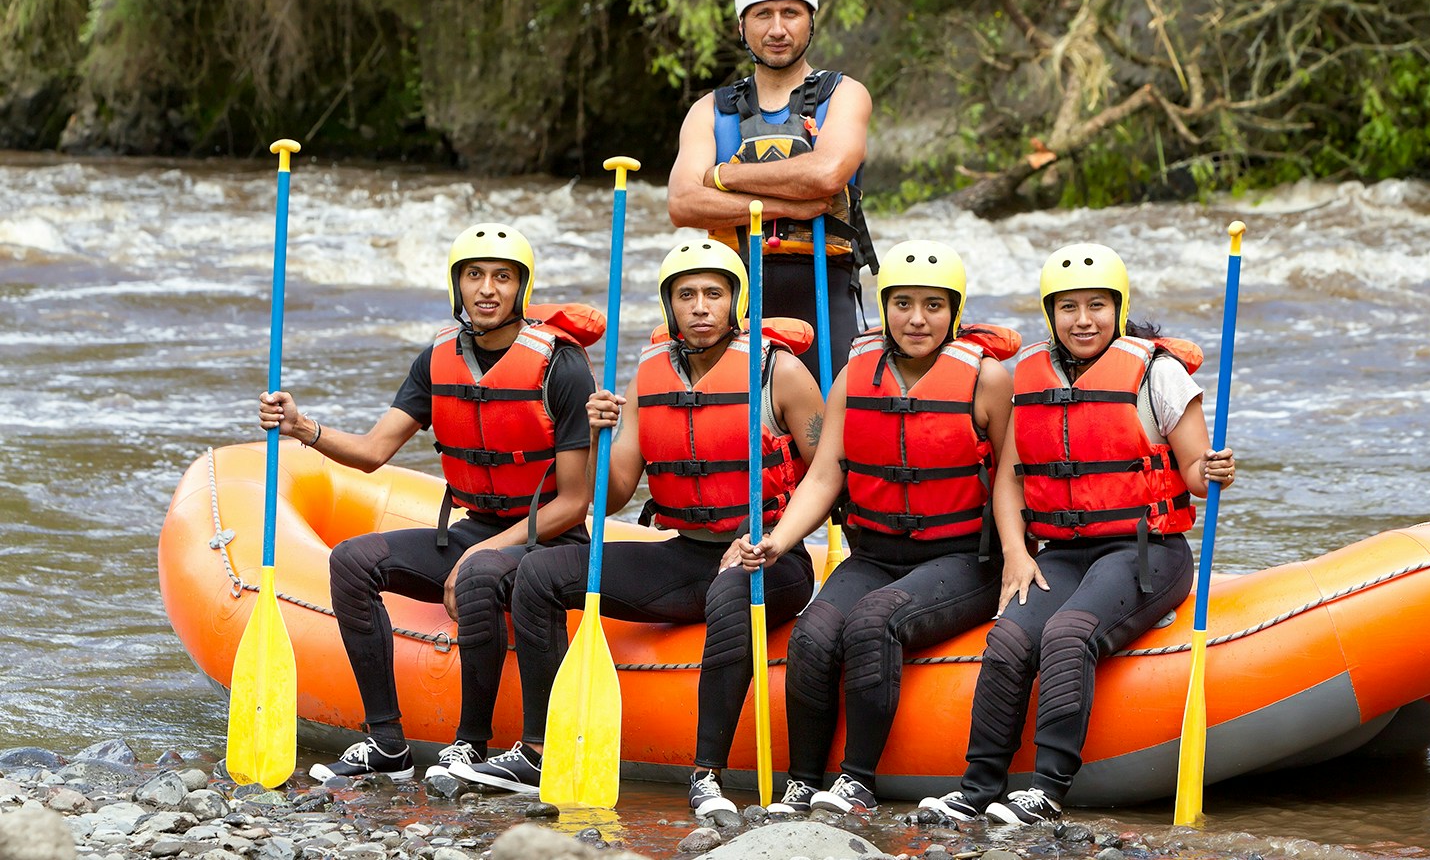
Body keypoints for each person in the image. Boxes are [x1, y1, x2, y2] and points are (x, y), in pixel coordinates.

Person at [450, 238, 826, 818]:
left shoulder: (782, 373)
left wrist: (772, 540)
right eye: (686, 295)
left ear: (737, 301)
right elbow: (614, 495)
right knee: (541, 571)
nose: (700, 307)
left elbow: (826, 474)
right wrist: (599, 434)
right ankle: (537, 750)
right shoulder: (649, 375)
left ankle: (707, 775)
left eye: (714, 294)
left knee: (732, 590)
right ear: (669, 306)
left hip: (772, 560)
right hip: (686, 555)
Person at [258, 223, 600, 783]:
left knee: (479, 572)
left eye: (502, 277)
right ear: (457, 285)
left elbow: (573, 504)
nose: (487, 289)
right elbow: (372, 452)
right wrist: (301, 427)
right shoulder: (438, 358)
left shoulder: (561, 366)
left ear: (522, 288)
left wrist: (475, 556)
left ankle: (471, 745)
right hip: (478, 527)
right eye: (474, 275)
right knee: (351, 561)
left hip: (547, 541)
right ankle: (387, 744)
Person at [917, 243, 1237, 825]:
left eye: (1096, 306)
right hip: (1062, 551)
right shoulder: (1029, 378)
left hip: (1146, 550)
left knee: (1068, 632)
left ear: (1118, 308)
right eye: (1068, 308)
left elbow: (1193, 472)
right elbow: (1011, 481)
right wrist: (1015, 554)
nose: (1082, 320)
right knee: (1011, 637)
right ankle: (976, 789)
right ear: (1050, 313)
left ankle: (1045, 792)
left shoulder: (1156, 373)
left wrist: (1213, 470)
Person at [733, 240, 1019, 814]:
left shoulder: (987, 380)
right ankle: (801, 784)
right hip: (875, 552)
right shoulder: (854, 375)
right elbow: (822, 478)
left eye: (934, 305)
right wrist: (777, 541)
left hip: (964, 557)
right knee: (813, 635)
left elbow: (1012, 479)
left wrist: (1015, 554)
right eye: (904, 303)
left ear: (955, 311)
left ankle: (856, 781)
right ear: (883, 307)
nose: (918, 319)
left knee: (873, 621)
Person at [666, 0, 878, 382]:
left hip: (825, 292)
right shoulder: (710, 110)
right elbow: (683, 203)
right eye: (763, 15)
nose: (778, 29)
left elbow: (825, 174)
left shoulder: (846, 94)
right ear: (742, 27)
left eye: (791, 13)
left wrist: (723, 177)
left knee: (829, 436)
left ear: (811, 21)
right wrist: (790, 206)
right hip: (733, 300)